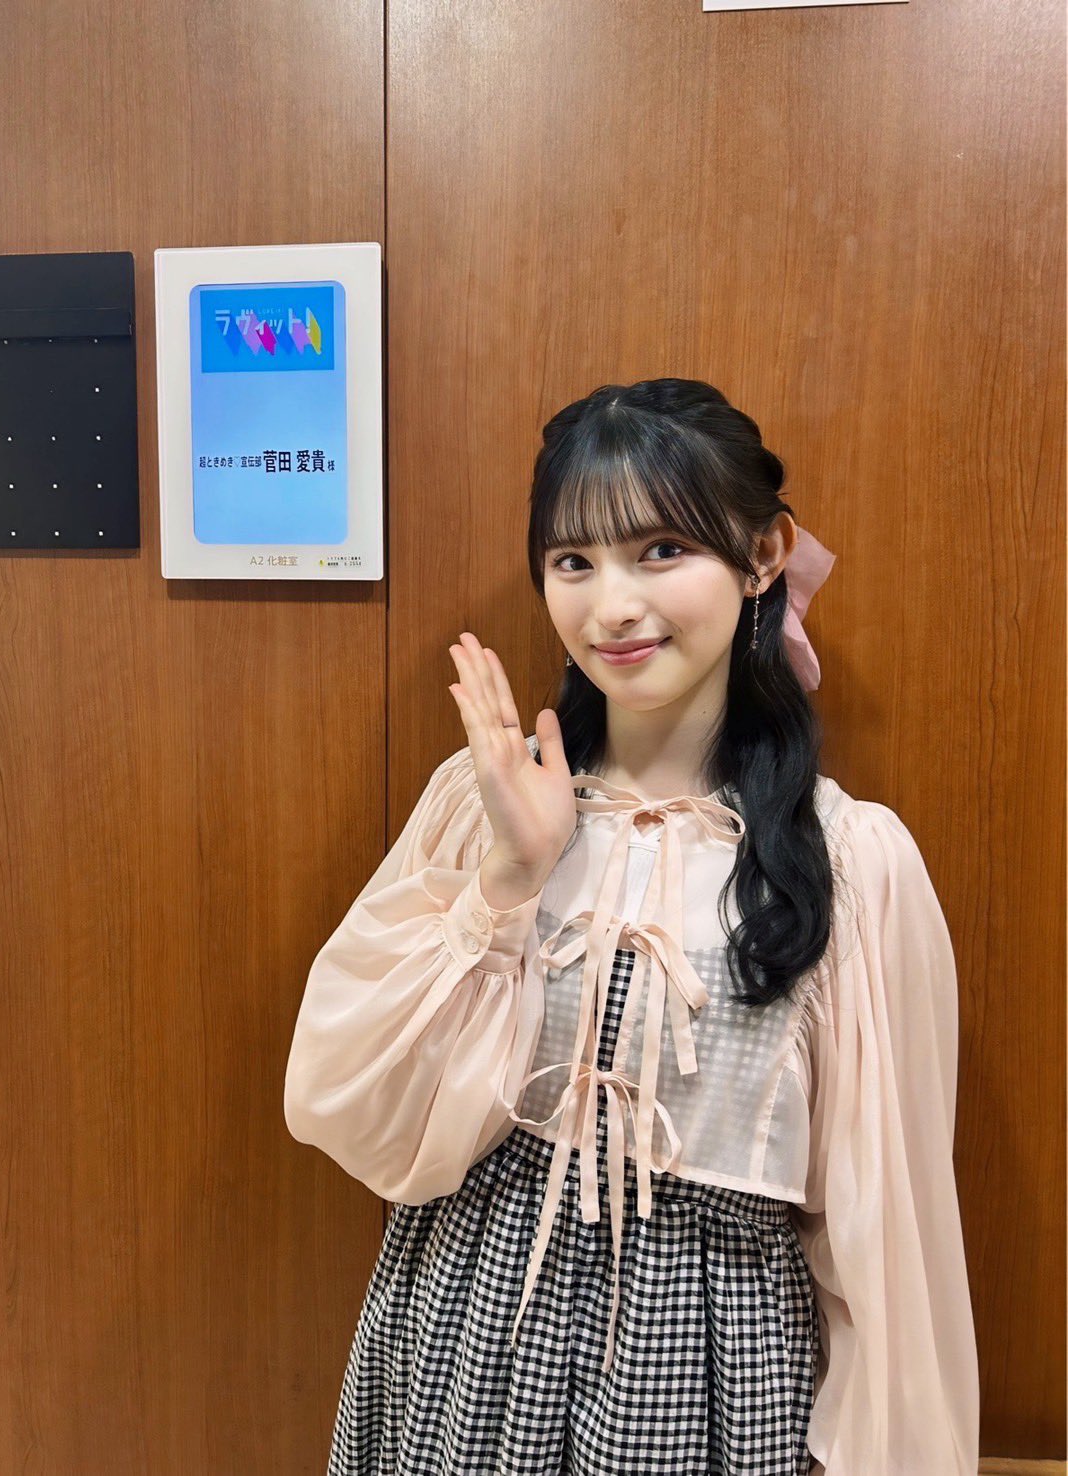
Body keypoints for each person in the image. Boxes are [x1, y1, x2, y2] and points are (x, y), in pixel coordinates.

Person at [283, 378, 981, 1475]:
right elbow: (351, 1102)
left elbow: (886, 1234)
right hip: (464, 1337)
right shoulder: (478, 803)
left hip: (710, 1373)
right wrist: (509, 878)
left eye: (661, 550)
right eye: (574, 561)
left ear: (763, 557)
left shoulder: (851, 864)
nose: (611, 606)